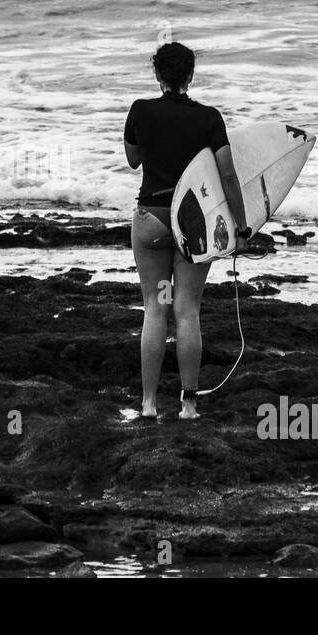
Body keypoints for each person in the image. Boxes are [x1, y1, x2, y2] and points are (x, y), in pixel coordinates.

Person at [123, 42, 250, 420]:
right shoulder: (208, 119)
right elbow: (227, 175)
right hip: (192, 228)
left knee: (155, 308)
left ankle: (147, 404)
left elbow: (133, 160)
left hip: (152, 222)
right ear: (191, 75)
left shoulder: (140, 111)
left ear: (157, 75)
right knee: (188, 310)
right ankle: (189, 405)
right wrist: (241, 227)